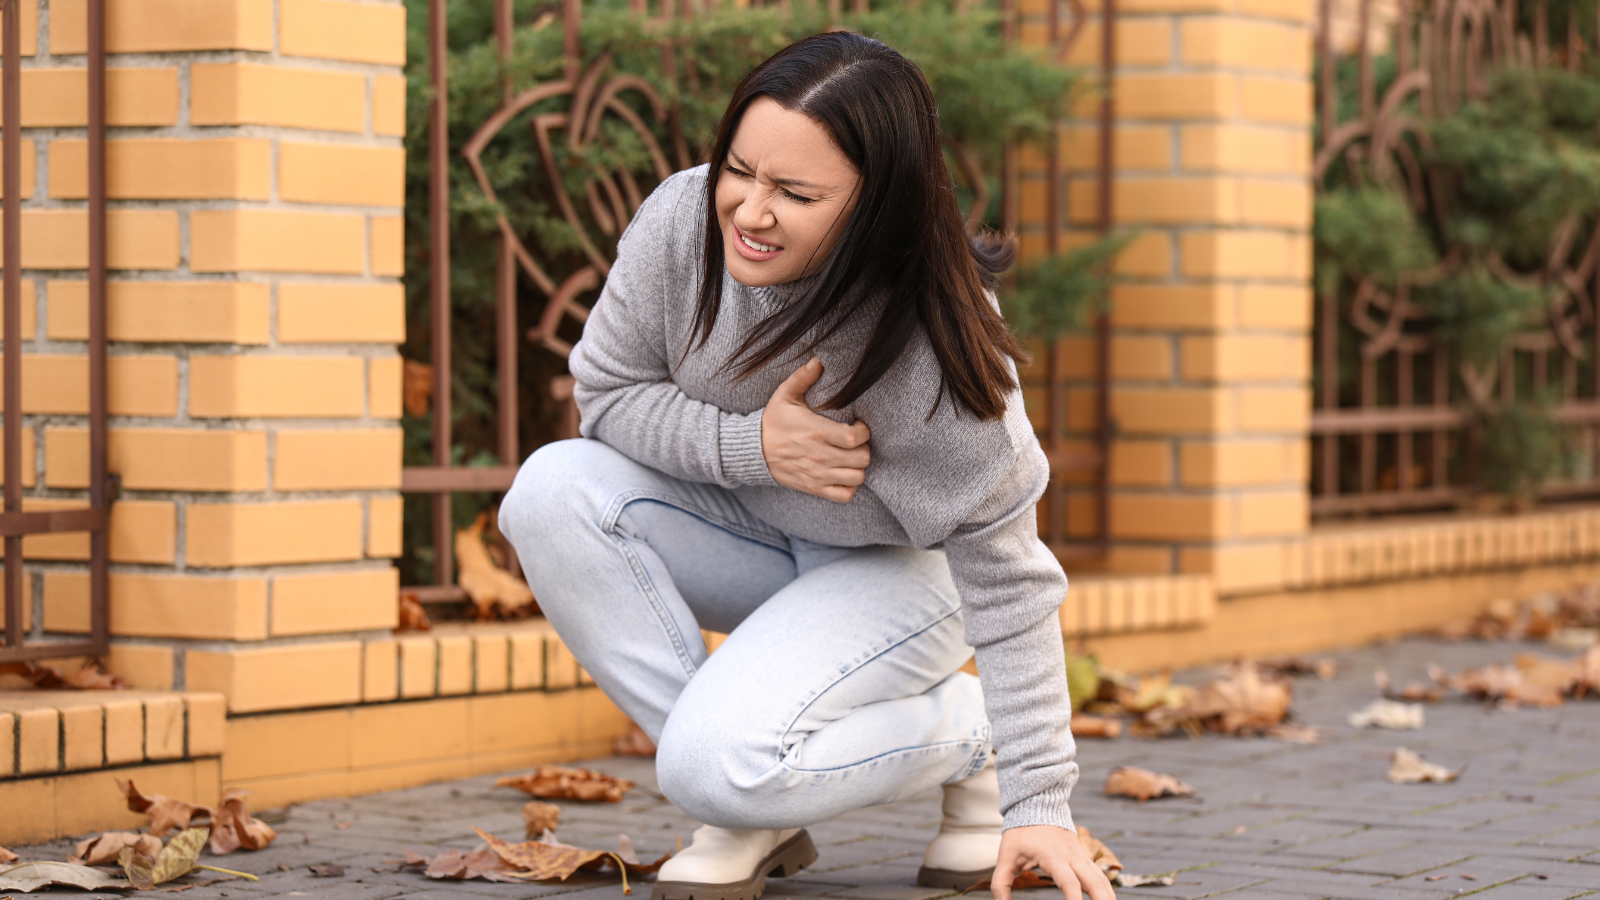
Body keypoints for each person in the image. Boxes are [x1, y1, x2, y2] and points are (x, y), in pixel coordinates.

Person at [500, 30, 1113, 900]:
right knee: (551, 490)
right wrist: (755, 448)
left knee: (716, 763)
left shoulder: (937, 351)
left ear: (878, 207)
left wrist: (1039, 799)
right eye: (740, 170)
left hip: (903, 576)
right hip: (756, 533)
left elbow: (1012, 585)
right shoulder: (682, 221)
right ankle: (741, 802)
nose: (749, 211)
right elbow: (607, 394)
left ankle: (963, 733)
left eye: (795, 192)